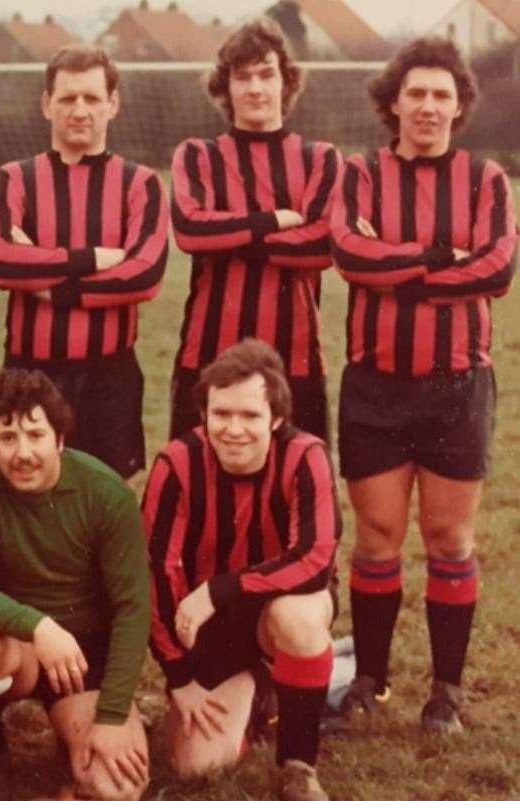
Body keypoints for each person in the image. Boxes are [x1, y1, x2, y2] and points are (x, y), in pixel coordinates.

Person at [329, 37, 515, 734]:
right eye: (417, 94)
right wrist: (444, 259)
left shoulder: (486, 179)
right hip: (375, 382)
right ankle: (370, 680)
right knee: (377, 538)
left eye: (443, 95)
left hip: (455, 382)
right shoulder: (360, 175)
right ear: (393, 103)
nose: (429, 106)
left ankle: (447, 691)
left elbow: (496, 271)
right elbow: (351, 254)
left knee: (448, 537)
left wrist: (400, 263)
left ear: (459, 104)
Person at [144, 339, 340, 801]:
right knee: (198, 766)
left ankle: (297, 764)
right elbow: (154, 574)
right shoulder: (177, 463)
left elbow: (315, 558)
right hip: (212, 629)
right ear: (203, 415)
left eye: (250, 416)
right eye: (221, 414)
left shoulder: (305, 456)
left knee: (298, 618)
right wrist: (180, 680)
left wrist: (220, 589)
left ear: (275, 418)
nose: (234, 429)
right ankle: (262, 693)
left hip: (275, 611)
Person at [0, 368, 150, 801]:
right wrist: (40, 627)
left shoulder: (107, 493)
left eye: (36, 435)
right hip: (17, 645)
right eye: (7, 438)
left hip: (84, 652)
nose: (23, 453)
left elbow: (133, 609)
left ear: (59, 437)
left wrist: (111, 717)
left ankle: (74, 744)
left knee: (119, 788)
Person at [0, 44, 168, 481]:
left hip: (110, 375)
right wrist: (95, 259)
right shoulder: (14, 178)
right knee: (27, 503)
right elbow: (3, 263)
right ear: (47, 105)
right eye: (67, 98)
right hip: (31, 370)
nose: (80, 110)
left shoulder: (140, 183)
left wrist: (52, 285)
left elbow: (144, 274)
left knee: (101, 506)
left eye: (91, 98)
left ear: (113, 104)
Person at [168, 19, 340, 444]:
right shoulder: (198, 155)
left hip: (295, 360)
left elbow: (322, 246)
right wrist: (274, 220)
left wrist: (228, 232)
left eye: (266, 74)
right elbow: (191, 230)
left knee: (295, 488)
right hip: (206, 355)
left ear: (286, 82)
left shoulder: (320, 158)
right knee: (202, 489)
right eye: (242, 77)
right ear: (225, 87)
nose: (255, 88)